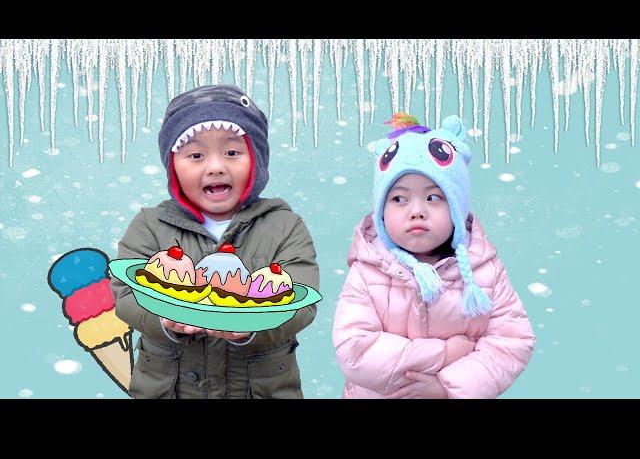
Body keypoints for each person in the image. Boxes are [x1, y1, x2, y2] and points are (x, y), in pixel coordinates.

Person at [111, 84, 319, 399]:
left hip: (259, 389)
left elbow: (302, 304)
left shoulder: (285, 225)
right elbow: (125, 296)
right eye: (195, 155)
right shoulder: (149, 226)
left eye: (232, 152)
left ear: (257, 160)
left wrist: (253, 329)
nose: (215, 166)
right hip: (171, 389)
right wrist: (163, 321)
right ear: (173, 167)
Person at [332, 113, 535, 399]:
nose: (417, 211)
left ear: (457, 207)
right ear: (381, 212)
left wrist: (448, 388)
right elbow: (355, 349)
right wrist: (446, 353)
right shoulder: (368, 269)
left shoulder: (484, 270)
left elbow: (511, 342)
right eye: (399, 198)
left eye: (433, 198)